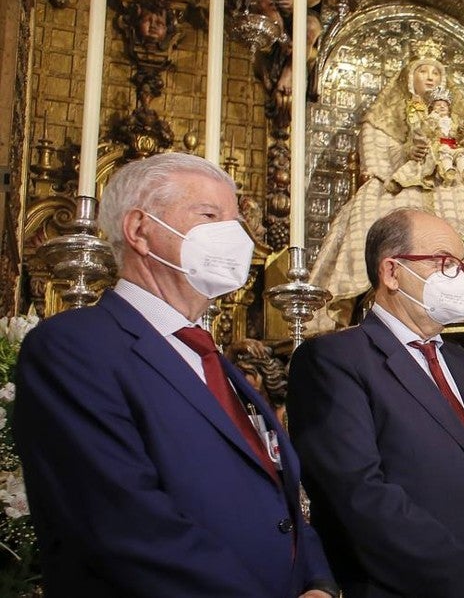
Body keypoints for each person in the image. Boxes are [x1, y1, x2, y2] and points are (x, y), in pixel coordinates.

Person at [13, 152, 336, 597]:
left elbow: (282, 498)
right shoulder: (74, 348)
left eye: (236, 219)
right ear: (140, 231)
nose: (236, 235)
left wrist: (317, 581)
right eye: (210, 215)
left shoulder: (212, 359)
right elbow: (124, 526)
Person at [287, 208, 464, 598]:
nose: (459, 278)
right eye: (444, 264)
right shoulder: (334, 361)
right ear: (392, 272)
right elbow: (360, 495)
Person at [309, 40, 464, 327]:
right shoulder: (394, 111)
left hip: (457, 172)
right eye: (424, 71)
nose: (430, 77)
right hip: (413, 175)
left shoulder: (459, 115)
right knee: (376, 205)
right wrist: (407, 151)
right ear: (409, 77)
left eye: (436, 73)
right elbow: (379, 150)